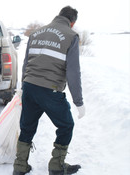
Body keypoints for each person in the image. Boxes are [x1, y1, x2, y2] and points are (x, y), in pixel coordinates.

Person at [13, 6, 86, 175]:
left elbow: (26, 63)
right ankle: (56, 166)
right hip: (50, 90)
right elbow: (73, 72)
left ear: (59, 16)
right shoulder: (71, 36)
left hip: (30, 86)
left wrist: (24, 87)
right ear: (72, 22)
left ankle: (19, 166)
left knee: (27, 127)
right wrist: (79, 102)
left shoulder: (36, 33)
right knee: (66, 125)